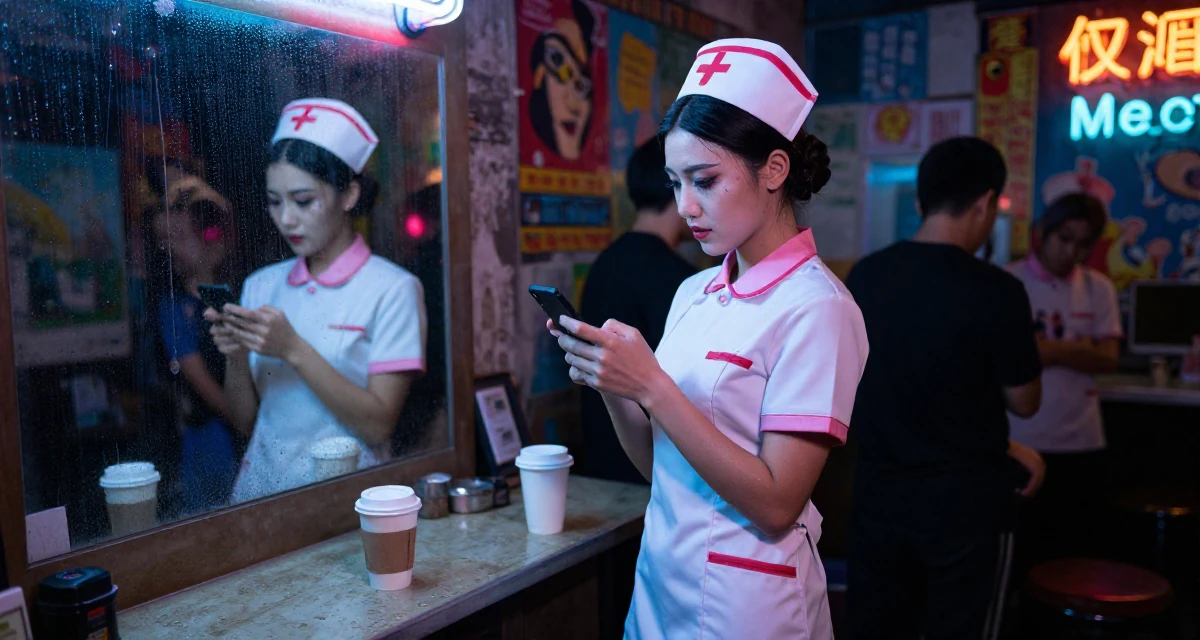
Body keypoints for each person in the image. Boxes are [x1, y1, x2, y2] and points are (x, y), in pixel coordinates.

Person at [550, 39, 868, 638]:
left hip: (748, 601)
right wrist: (614, 385)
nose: (685, 206)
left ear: (774, 169)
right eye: (675, 183)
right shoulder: (692, 293)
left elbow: (778, 502)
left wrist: (653, 385)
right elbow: (660, 468)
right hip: (660, 582)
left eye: (705, 180)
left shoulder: (818, 308)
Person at [845, 136, 1046, 640]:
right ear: (984, 204)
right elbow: (1025, 401)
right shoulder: (998, 290)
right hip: (965, 509)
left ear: (919, 201)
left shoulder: (865, 276)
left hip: (877, 500)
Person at [205, 98, 427, 503]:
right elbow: (246, 423)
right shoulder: (260, 285)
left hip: (348, 502)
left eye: (303, 201)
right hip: (261, 496)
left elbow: (379, 425)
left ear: (349, 195)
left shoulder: (392, 289)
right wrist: (235, 356)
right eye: (275, 201)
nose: (286, 218)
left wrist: (292, 348)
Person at [1007, 192, 1120, 570]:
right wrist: (1077, 349)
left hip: (1083, 441)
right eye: (1064, 238)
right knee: (1023, 555)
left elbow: (1109, 358)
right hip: (1022, 439)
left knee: (1077, 554)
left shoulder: (1098, 287)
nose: (1070, 251)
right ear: (1043, 232)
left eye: (1082, 243)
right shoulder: (1008, 282)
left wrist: (1046, 351)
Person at [578, 139, 695, 484]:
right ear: (675, 186)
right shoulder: (681, 281)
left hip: (600, 460)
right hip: (656, 467)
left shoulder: (604, 263)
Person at [147, 190, 238, 513]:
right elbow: (199, 380)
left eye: (178, 236)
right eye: (162, 239)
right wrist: (250, 423)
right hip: (209, 433)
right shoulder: (172, 307)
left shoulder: (236, 293)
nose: (168, 247)